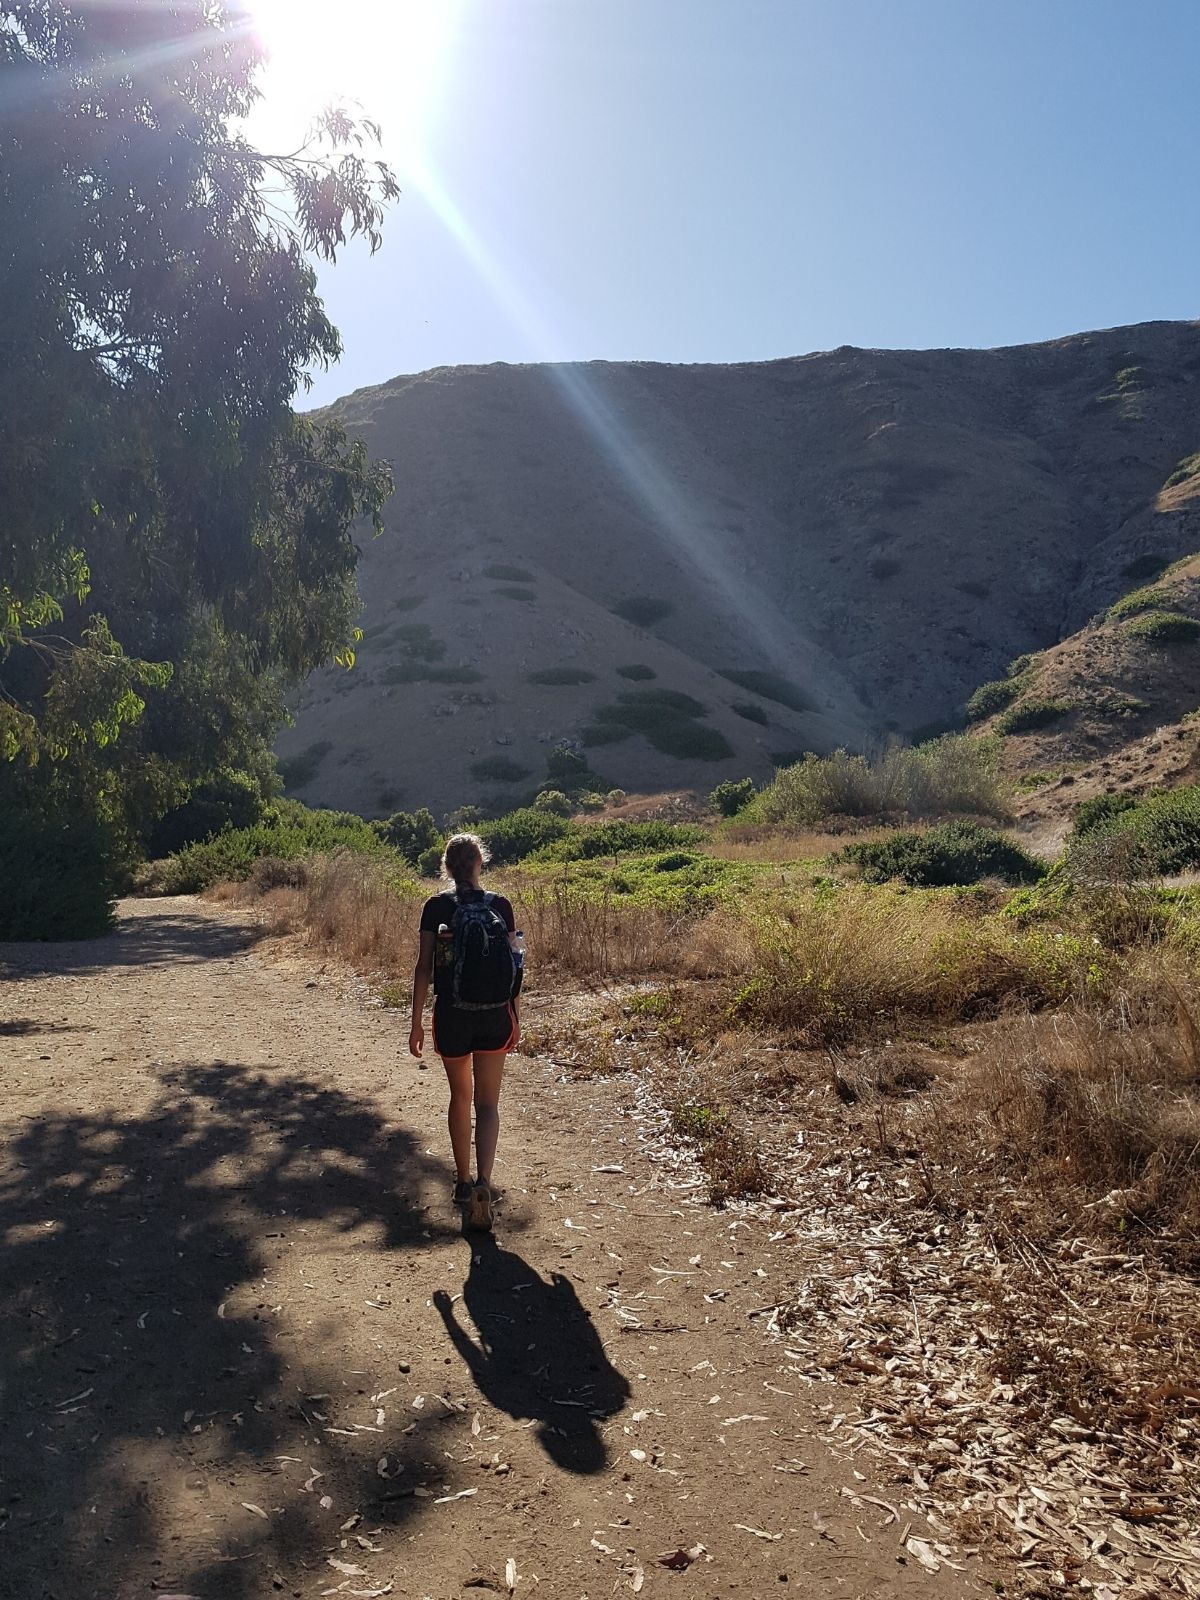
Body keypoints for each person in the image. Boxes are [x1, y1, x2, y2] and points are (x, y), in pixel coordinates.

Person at [409, 832, 521, 1230]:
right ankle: (485, 1184)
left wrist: (416, 1022)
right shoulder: (501, 906)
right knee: (488, 1103)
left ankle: (461, 1181)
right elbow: (515, 967)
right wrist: (515, 1016)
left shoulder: (435, 907)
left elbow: (424, 967)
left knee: (461, 1096)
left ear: (446, 866)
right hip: (495, 1015)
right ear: (480, 863)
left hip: (452, 1014)